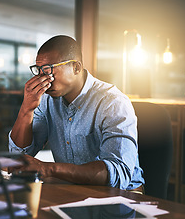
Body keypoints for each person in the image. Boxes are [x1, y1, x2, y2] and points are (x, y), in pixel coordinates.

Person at [8, 35, 144, 191]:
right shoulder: (47, 100)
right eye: (39, 71)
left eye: (49, 70)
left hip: (122, 196)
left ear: (76, 67)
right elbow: (19, 155)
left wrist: (49, 169)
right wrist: (27, 109)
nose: (42, 78)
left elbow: (118, 174)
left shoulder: (113, 102)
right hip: (76, 191)